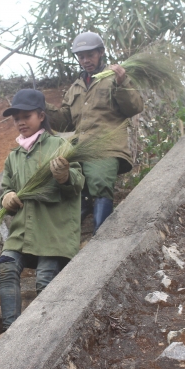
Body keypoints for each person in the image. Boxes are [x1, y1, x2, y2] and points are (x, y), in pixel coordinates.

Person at [0, 89, 84, 348]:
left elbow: (79, 181)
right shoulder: (13, 157)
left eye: (26, 116)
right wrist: (8, 197)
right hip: (23, 230)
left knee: (44, 279)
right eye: (16, 119)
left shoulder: (60, 145)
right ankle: (10, 332)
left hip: (53, 230)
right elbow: (7, 188)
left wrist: (65, 176)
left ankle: (45, 334)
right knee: (6, 265)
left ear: (41, 115)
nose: (21, 122)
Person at [46, 31, 144, 233]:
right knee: (69, 184)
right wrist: (43, 108)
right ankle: (73, 236)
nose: (85, 60)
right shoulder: (75, 87)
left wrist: (122, 82)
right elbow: (66, 122)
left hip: (106, 147)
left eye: (90, 55)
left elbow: (134, 107)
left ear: (100, 53)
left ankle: (102, 235)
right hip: (81, 150)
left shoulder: (114, 77)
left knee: (99, 180)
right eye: (81, 56)